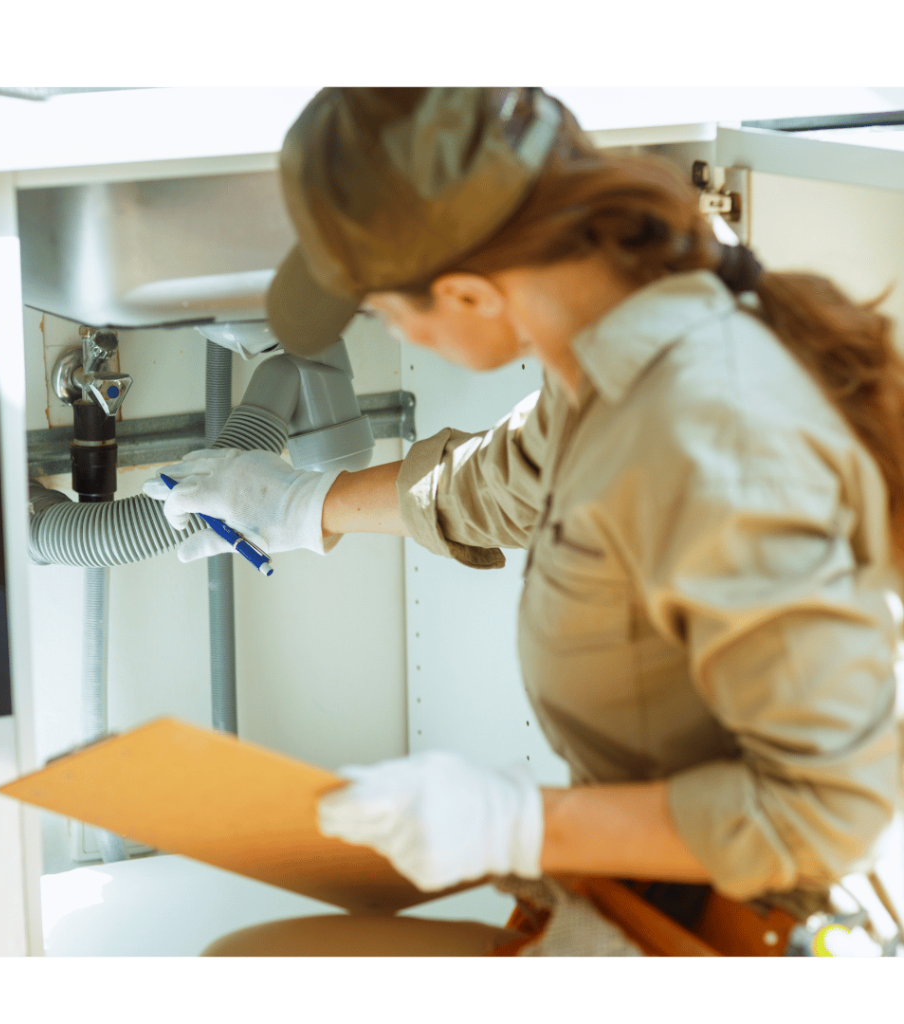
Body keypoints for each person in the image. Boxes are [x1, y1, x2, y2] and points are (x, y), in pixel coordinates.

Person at [147, 87, 904, 957]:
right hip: (658, 892)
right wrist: (296, 503)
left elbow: (825, 812)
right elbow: (510, 479)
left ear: (467, 292)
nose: (386, 328)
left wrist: (519, 825)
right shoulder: (625, 336)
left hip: (759, 924)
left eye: (382, 308)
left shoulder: (707, 435)